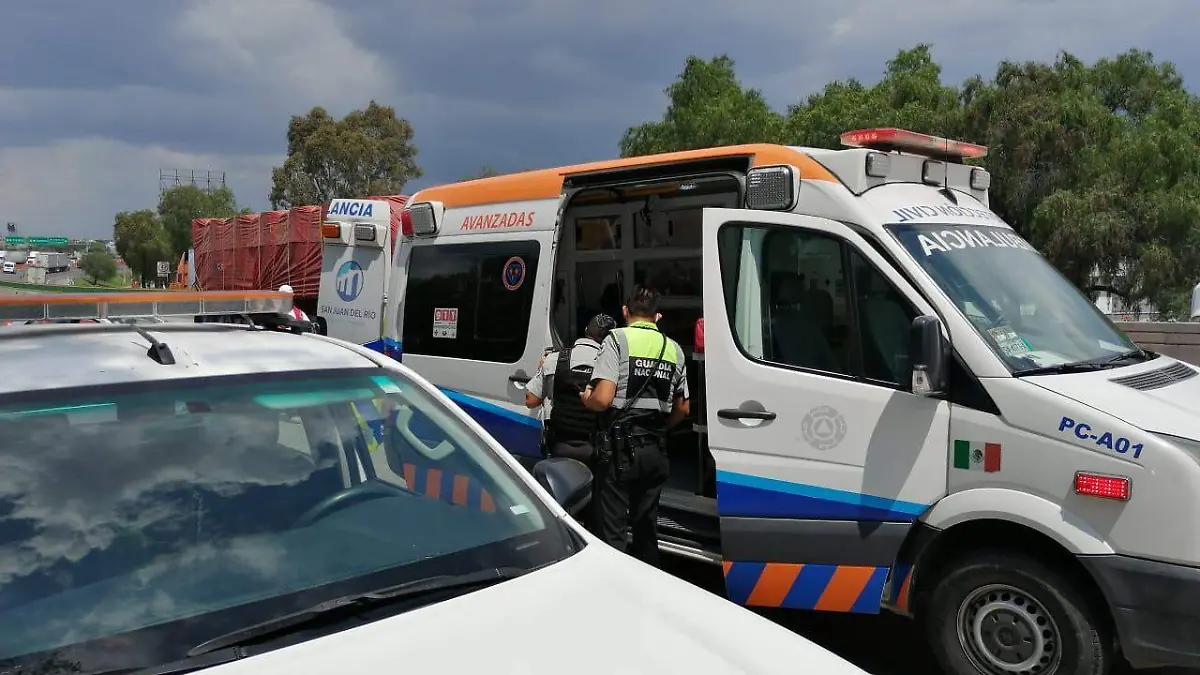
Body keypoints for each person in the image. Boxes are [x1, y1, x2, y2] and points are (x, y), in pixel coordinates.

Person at [581, 286, 689, 566]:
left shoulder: (616, 339)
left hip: (619, 453)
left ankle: (617, 596)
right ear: (658, 316)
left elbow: (603, 399)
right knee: (646, 530)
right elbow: (684, 409)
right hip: (655, 450)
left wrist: (587, 398)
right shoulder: (674, 348)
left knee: (613, 532)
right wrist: (662, 427)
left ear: (625, 312)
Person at [525, 313, 617, 465]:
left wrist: (542, 369)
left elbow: (531, 400)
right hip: (596, 450)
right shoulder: (612, 365)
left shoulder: (554, 359)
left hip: (559, 446)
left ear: (586, 330)